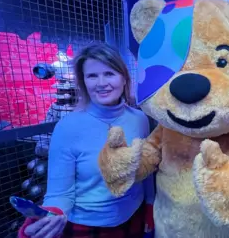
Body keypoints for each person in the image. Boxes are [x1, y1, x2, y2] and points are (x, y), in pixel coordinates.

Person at [19, 42, 155, 238]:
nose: (101, 83)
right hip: (86, 227)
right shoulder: (67, 127)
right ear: (83, 82)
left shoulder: (139, 119)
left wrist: (150, 204)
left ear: (124, 78)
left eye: (109, 74)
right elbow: (60, 192)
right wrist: (50, 217)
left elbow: (145, 169)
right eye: (92, 76)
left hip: (134, 218)